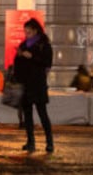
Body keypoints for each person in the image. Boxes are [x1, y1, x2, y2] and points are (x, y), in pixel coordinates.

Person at [14, 18, 54, 153]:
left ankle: (50, 142)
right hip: (25, 85)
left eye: (29, 32)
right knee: (28, 115)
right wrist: (19, 55)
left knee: (43, 114)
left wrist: (31, 56)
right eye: (25, 32)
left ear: (35, 31)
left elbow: (47, 62)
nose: (26, 35)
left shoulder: (44, 45)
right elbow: (18, 65)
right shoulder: (23, 45)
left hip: (37, 85)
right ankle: (30, 142)